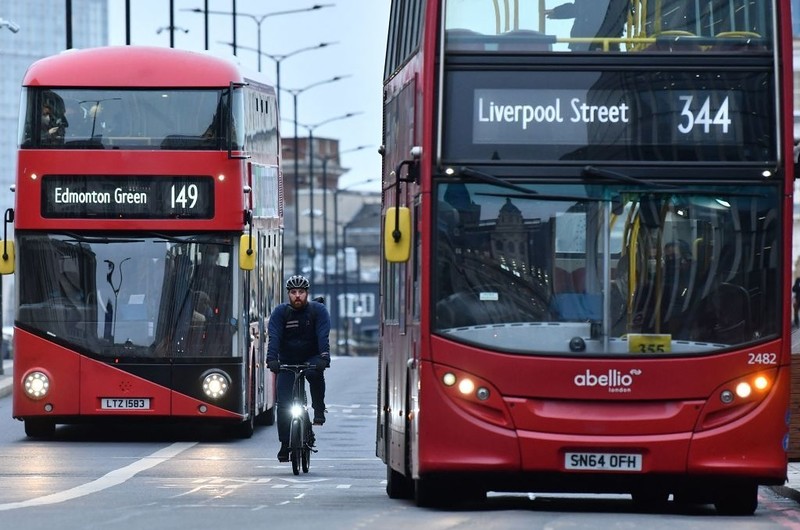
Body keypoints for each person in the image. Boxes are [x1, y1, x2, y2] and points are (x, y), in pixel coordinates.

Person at [267, 274, 331, 462]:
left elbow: (323, 336)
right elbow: (275, 337)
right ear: (288, 294)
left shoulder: (318, 311)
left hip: (311, 357)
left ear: (307, 294)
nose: (297, 296)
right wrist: (272, 359)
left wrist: (324, 358)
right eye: (293, 292)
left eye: (301, 292)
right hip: (287, 359)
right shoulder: (280, 313)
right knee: (284, 401)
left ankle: (319, 409)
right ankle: (285, 444)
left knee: (314, 373)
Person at [546, 0, 629, 51]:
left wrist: (599, 44)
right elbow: (579, 8)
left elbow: (613, 18)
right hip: (580, 45)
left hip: (603, 48)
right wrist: (558, 12)